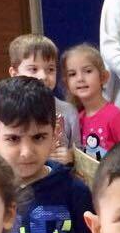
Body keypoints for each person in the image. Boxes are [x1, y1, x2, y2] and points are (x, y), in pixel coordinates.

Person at [0, 77, 107, 233]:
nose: (26, 152)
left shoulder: (74, 191)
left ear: (56, 132)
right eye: (13, 139)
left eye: (38, 137)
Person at [7, 33, 78, 166]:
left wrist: (71, 156)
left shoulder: (69, 111)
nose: (43, 76)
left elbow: (78, 150)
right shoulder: (7, 112)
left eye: (50, 69)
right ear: (14, 73)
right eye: (33, 69)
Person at [62, 43, 120, 159]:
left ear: (103, 77)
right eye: (72, 74)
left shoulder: (116, 116)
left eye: (88, 71)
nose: (80, 78)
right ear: (67, 83)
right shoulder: (76, 119)